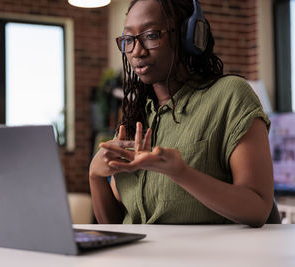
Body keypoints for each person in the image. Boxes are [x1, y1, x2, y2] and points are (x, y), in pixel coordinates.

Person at [89, 0, 274, 227]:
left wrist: (181, 173)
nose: (137, 51)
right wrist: (95, 177)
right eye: (128, 39)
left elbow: (258, 209)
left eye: (151, 35)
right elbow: (119, 227)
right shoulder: (136, 114)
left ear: (189, 35)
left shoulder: (230, 95)